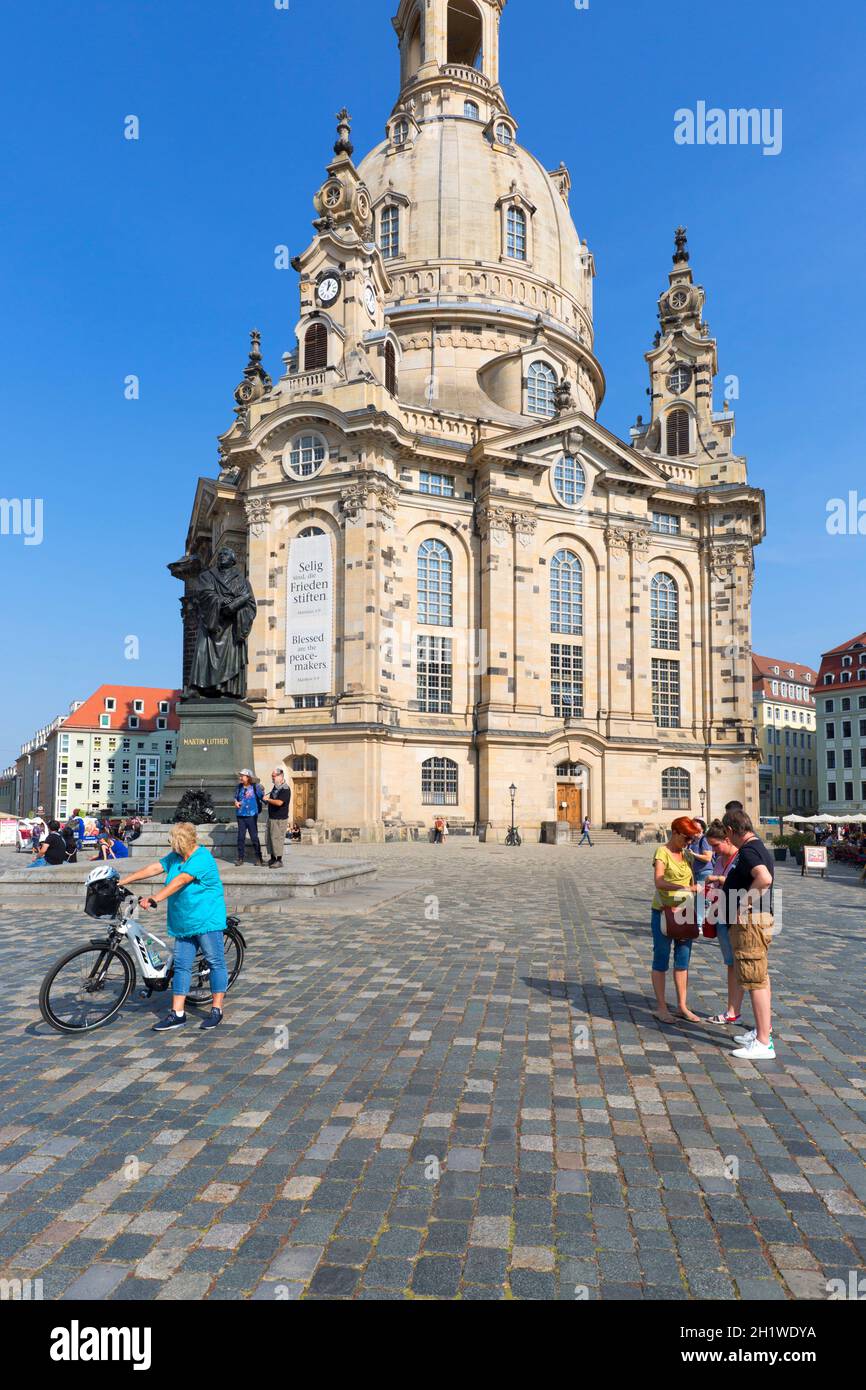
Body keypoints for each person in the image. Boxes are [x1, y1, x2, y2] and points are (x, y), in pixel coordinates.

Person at [118, 821, 228, 1032]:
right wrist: (125, 880)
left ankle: (216, 1009)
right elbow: (154, 868)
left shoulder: (202, 858)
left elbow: (180, 881)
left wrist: (155, 898)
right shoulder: (176, 857)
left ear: (182, 842)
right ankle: (177, 1013)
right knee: (182, 966)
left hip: (206, 919)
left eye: (174, 842)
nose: (171, 846)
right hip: (184, 920)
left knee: (215, 961)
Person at [723, 808, 776, 1060]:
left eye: (727, 835)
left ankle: (763, 1043)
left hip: (751, 923)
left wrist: (743, 904)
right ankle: (762, 1031)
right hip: (756, 921)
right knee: (759, 976)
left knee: (754, 979)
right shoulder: (756, 846)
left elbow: (763, 879)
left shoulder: (748, 850)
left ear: (732, 831)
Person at [650, 817, 703, 1024]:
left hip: (684, 911)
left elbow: (692, 880)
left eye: (692, 839)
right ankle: (662, 1008)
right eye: (687, 838)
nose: (689, 842)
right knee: (661, 959)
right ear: (675, 832)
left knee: (683, 960)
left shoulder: (687, 854)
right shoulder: (662, 852)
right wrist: (683, 889)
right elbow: (659, 881)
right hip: (664, 912)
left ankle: (682, 1006)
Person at [703, 819, 742, 1025]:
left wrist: (718, 880)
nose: (714, 851)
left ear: (727, 839)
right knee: (730, 964)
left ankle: (753, 1017)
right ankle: (732, 1010)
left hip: (738, 917)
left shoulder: (740, 857)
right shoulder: (719, 860)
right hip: (721, 915)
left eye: (716, 846)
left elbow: (743, 883)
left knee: (743, 965)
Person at [234, 769, 264, 867]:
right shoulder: (239, 787)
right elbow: (235, 798)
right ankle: (240, 858)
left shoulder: (255, 787)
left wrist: (263, 790)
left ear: (248, 777)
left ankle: (259, 858)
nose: (240, 778)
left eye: (242, 776)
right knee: (240, 837)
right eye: (240, 776)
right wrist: (236, 802)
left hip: (251, 815)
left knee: (254, 837)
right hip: (241, 815)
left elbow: (262, 797)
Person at [263, 767, 291, 867]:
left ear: (280, 776)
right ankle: (272, 859)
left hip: (280, 819)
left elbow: (279, 802)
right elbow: (272, 800)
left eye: (274, 776)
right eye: (272, 776)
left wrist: (268, 800)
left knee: (277, 839)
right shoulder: (276, 787)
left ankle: (279, 860)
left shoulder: (285, 789)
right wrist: (265, 800)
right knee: (270, 839)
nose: (272, 778)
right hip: (272, 817)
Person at [689, 818, 714, 926]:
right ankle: (700, 921)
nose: (695, 830)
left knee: (700, 899)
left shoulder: (704, 840)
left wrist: (693, 854)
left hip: (704, 872)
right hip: (695, 873)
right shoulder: (693, 840)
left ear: (702, 829)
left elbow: (708, 857)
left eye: (697, 827)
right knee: (698, 900)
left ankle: (699, 924)